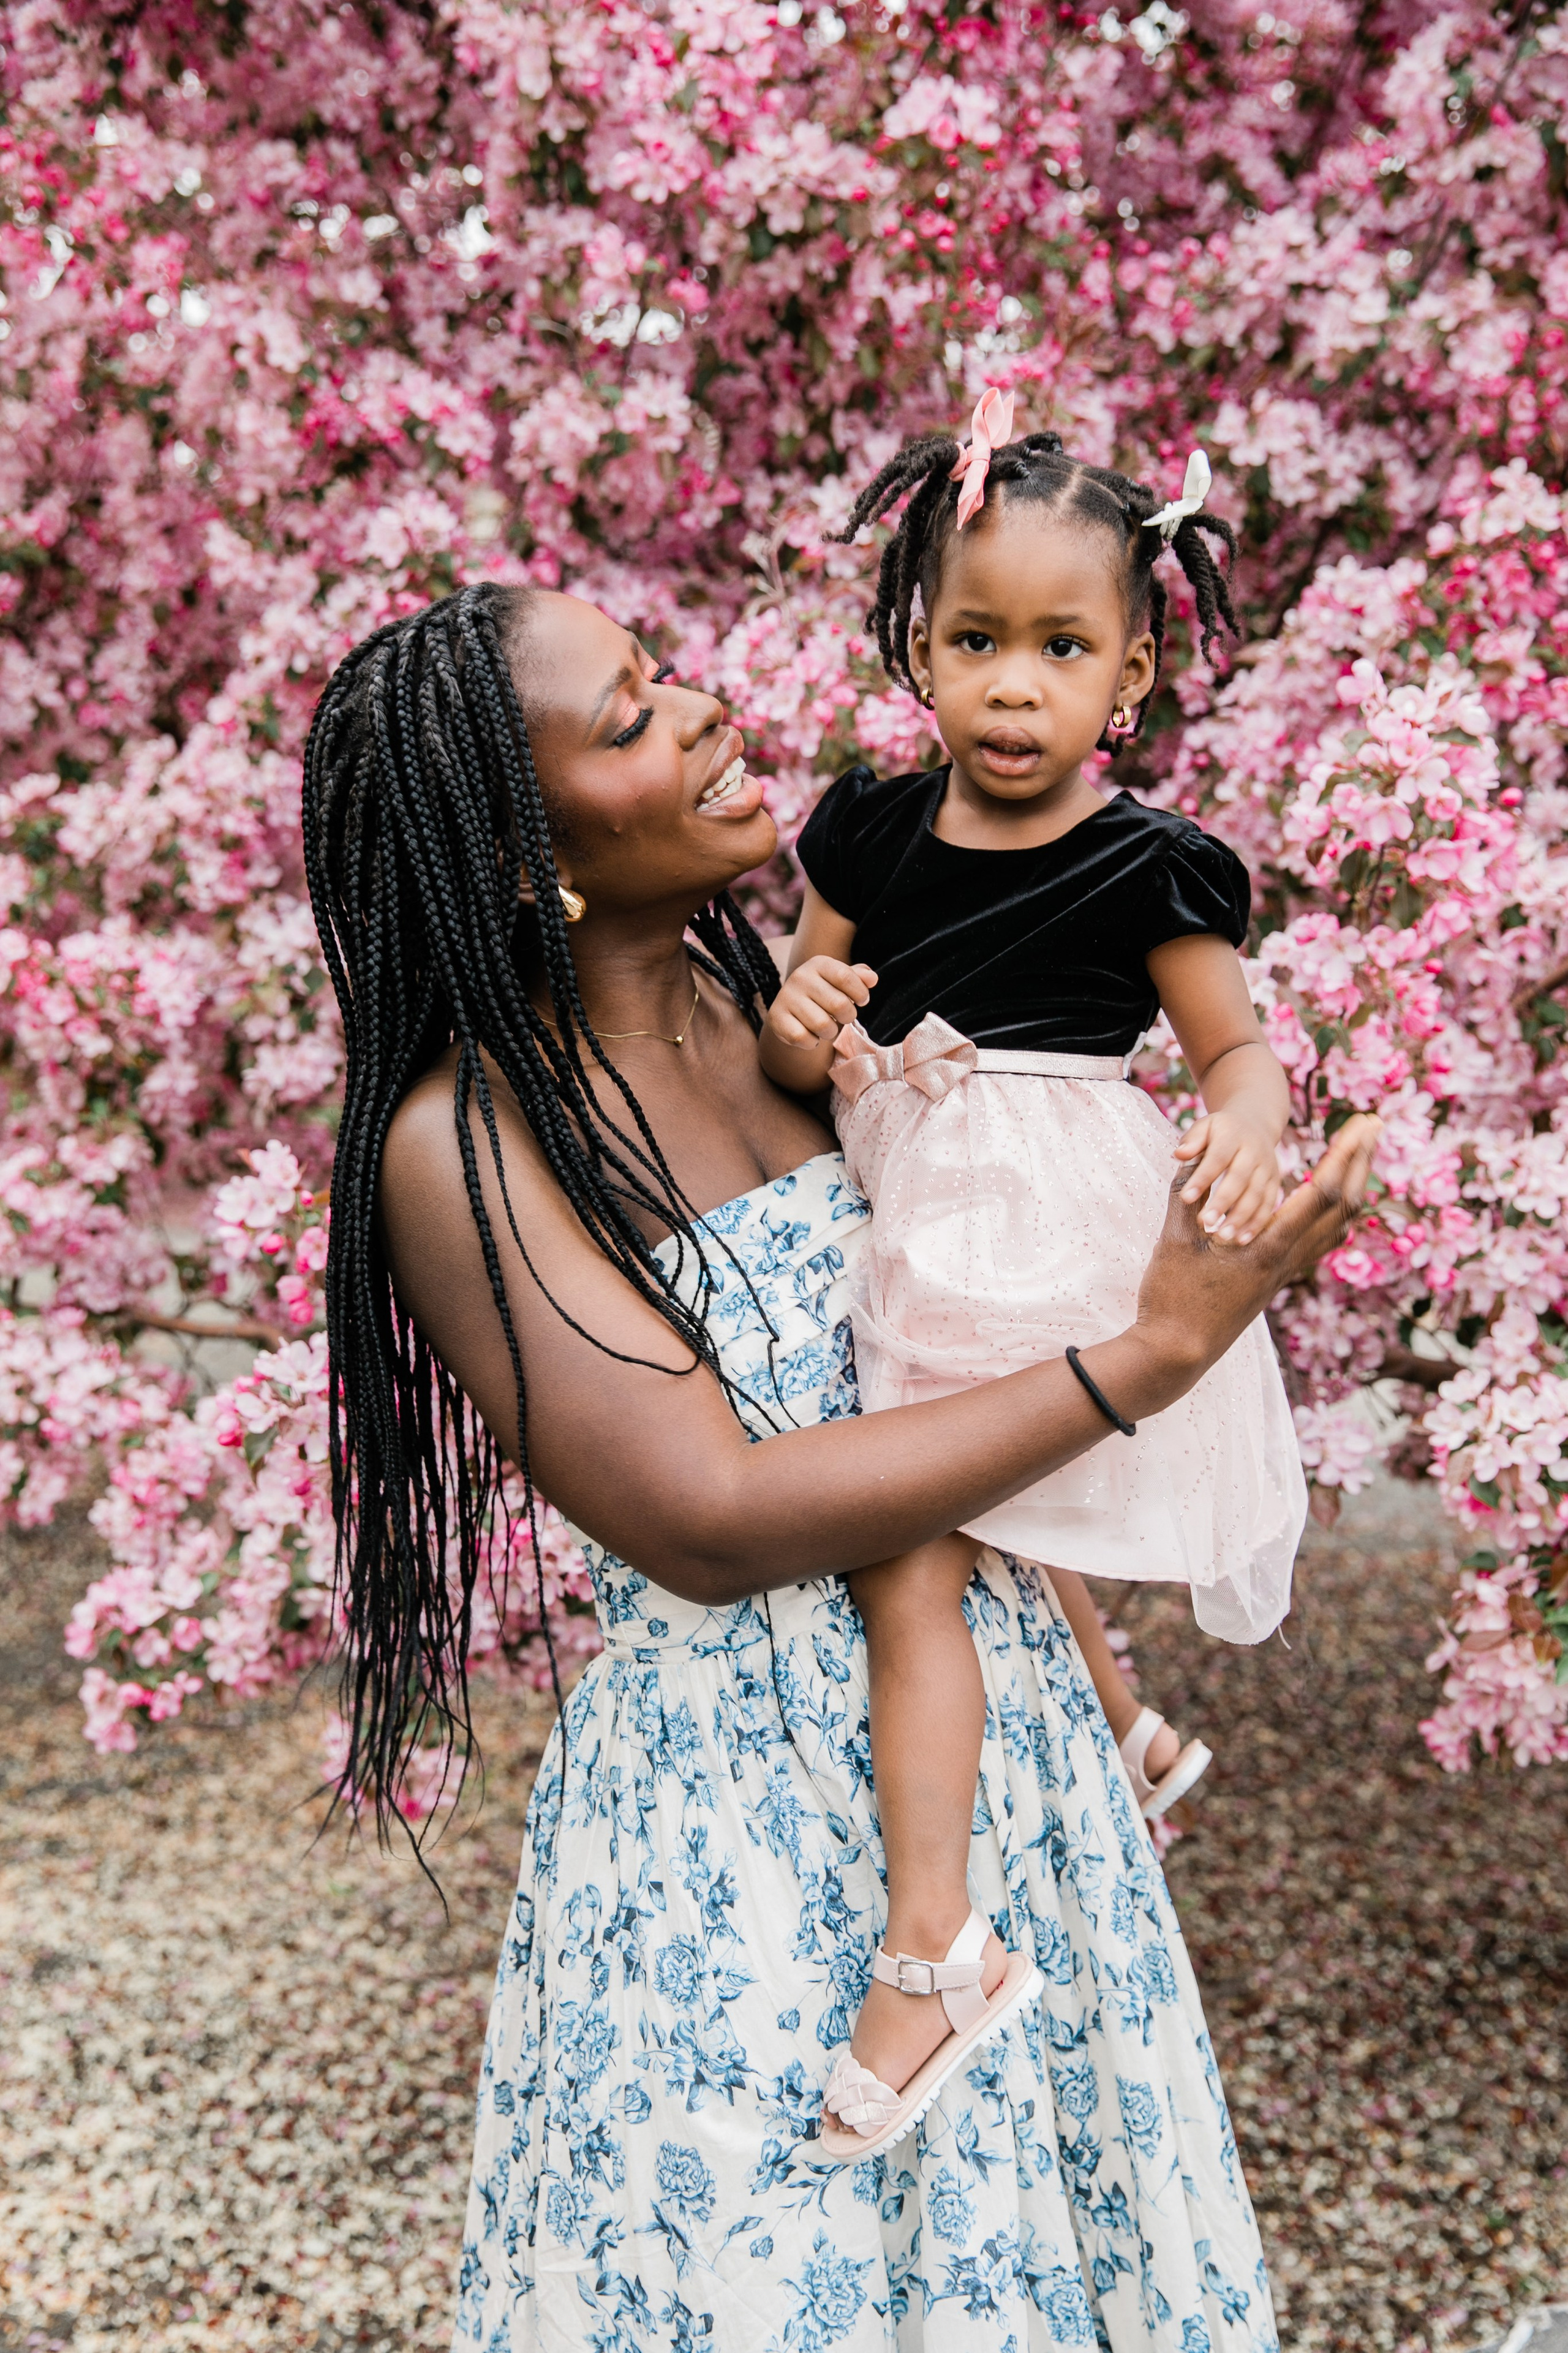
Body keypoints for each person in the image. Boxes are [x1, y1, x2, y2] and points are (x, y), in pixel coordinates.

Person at [301, 578, 1376, 2352]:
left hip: (985, 1757)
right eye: (636, 717)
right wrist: (1148, 1356)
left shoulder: (801, 1018)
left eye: (669, 668)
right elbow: (711, 1517)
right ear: (521, 854)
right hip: (735, 1828)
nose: (709, 712)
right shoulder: (469, 1141)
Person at [756, 393, 1308, 2150]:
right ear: (918, 647)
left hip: (1055, 1227)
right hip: (909, 1208)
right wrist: (803, 1013)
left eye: (1060, 647)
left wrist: (1243, 1122)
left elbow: (1237, 1051)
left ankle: (933, 1949)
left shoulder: (1149, 864)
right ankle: (1114, 1748)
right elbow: (793, 1044)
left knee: (917, 1557)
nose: (1013, 684)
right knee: (963, 1525)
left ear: (1131, 676)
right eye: (975, 639)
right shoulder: (868, 834)